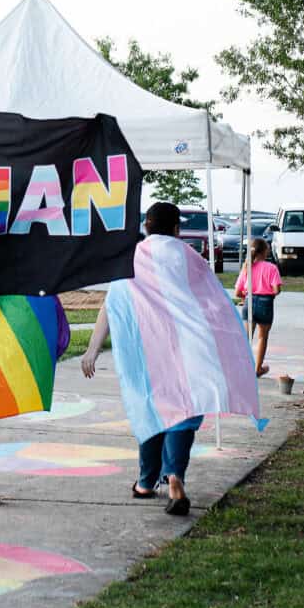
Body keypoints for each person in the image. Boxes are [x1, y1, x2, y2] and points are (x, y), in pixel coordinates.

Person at [80, 202, 201, 515]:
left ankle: (147, 481)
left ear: (146, 227)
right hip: (182, 350)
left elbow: (112, 304)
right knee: (181, 412)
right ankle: (174, 477)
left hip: (142, 350)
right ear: (176, 229)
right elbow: (210, 305)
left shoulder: (130, 258)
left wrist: (93, 347)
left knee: (148, 408)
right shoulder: (186, 256)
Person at [235, 237, 283, 377]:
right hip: (265, 303)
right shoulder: (271, 268)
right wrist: (270, 292)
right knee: (262, 337)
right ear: (265, 252)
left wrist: (246, 295)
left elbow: (238, 292)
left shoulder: (246, 268)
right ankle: (257, 368)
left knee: (247, 337)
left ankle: (241, 366)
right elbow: (276, 290)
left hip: (249, 302)